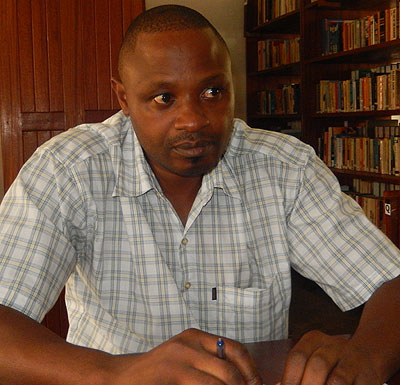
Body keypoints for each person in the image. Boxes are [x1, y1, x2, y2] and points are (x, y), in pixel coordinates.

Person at [0, 4, 399, 385]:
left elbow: (390, 283)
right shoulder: (69, 169)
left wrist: (365, 355)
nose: (192, 119)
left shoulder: (285, 170)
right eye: (163, 98)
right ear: (123, 99)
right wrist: (116, 374)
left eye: (212, 92)